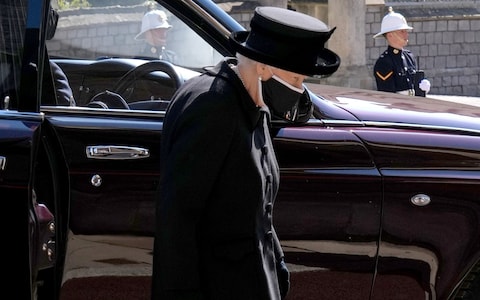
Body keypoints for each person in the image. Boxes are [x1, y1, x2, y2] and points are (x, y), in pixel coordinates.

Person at [151, 6, 340, 300]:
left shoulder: (254, 102)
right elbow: (177, 217)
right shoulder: (211, 106)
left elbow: (258, 210)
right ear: (263, 67)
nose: (299, 90)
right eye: (295, 80)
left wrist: (277, 268)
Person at [373, 7, 431, 97]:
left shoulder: (409, 56)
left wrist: (422, 86)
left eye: (406, 31)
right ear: (390, 35)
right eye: (402, 31)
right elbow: (387, 95)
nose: (406, 34)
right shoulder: (384, 62)